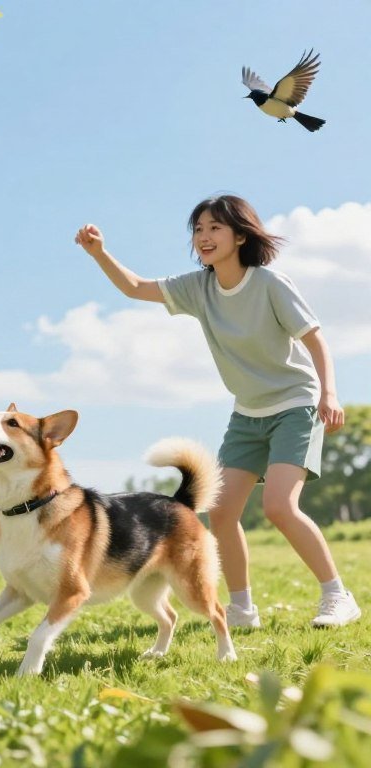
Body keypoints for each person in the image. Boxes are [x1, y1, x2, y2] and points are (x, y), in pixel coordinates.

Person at [73, 194, 360, 628]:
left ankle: (337, 597)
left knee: (280, 506)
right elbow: (135, 287)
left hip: (295, 403)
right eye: (198, 229)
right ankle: (242, 607)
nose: (203, 237)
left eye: (214, 228)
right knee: (221, 512)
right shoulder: (198, 287)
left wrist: (330, 394)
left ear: (241, 236)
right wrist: (99, 254)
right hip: (248, 413)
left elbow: (315, 339)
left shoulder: (269, 284)